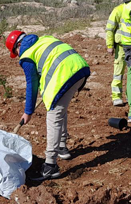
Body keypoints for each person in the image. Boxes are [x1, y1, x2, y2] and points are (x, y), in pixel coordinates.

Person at [6, 29, 90, 181]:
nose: (17, 54)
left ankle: (50, 166)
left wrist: (28, 112)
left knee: (54, 116)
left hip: (66, 74)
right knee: (60, 110)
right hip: (80, 68)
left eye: (15, 51)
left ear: (18, 45)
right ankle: (62, 147)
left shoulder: (27, 56)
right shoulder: (43, 40)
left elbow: (32, 84)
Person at [105, 0, 131, 107]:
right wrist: (110, 45)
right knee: (118, 72)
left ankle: (130, 96)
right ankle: (116, 96)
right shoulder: (118, 10)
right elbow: (110, 28)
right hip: (121, 47)